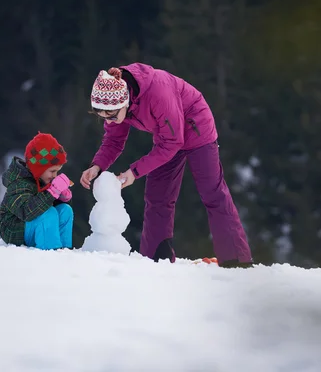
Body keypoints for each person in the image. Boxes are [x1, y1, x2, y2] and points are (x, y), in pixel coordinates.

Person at [80, 63, 253, 268]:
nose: (110, 121)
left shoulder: (157, 92)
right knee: (157, 197)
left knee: (212, 193)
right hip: (167, 138)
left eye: (111, 116)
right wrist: (97, 166)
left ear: (124, 100)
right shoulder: (114, 104)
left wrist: (134, 171)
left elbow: (174, 141)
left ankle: (236, 260)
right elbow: (113, 141)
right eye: (103, 118)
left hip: (197, 129)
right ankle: (156, 259)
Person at [0, 132, 74, 250]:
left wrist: (61, 198)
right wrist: (52, 192)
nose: (55, 175)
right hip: (15, 230)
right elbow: (27, 212)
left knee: (65, 210)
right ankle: (51, 251)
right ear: (39, 168)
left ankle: (64, 250)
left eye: (57, 171)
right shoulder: (19, 184)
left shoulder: (43, 178)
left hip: (34, 224)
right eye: (52, 171)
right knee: (49, 213)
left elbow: (48, 204)